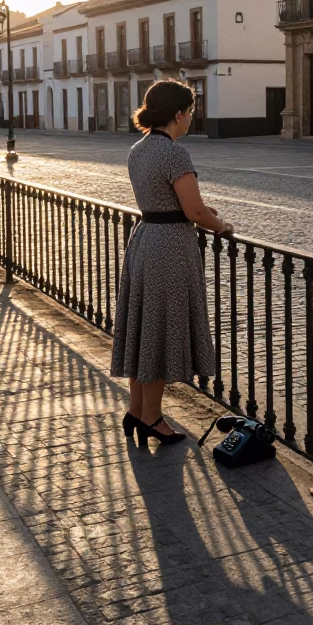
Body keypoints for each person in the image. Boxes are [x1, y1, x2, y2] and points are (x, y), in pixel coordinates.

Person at [111, 79, 232, 446]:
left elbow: (169, 199)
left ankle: (135, 409)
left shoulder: (138, 148)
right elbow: (193, 210)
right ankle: (152, 417)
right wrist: (221, 224)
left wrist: (196, 210)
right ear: (179, 114)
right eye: (191, 112)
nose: (192, 118)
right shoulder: (175, 153)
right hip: (169, 248)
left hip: (145, 238)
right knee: (161, 330)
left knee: (144, 327)